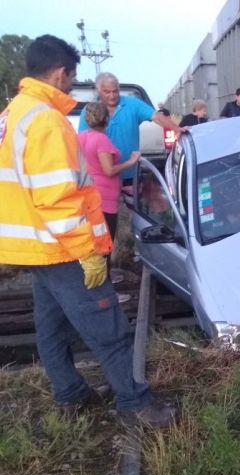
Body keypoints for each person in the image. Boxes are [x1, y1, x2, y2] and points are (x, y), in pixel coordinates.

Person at [0, 34, 175, 427]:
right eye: (71, 77)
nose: (69, 85)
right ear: (61, 73)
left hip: (36, 247)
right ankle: (136, 404)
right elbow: (58, 198)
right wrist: (88, 252)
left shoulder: (13, 114)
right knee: (108, 326)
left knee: (51, 325)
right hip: (63, 247)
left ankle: (70, 393)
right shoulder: (46, 120)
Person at [77, 101, 139, 302]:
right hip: (105, 199)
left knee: (95, 243)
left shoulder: (80, 137)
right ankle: (107, 294)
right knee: (105, 244)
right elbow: (109, 170)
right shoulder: (101, 140)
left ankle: (99, 282)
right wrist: (130, 161)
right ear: (106, 119)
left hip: (88, 196)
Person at [78, 72, 183, 185]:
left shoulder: (132, 104)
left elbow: (156, 116)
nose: (112, 96)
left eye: (115, 91)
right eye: (107, 92)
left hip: (129, 177)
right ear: (99, 90)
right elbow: (81, 145)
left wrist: (176, 129)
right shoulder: (89, 111)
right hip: (100, 179)